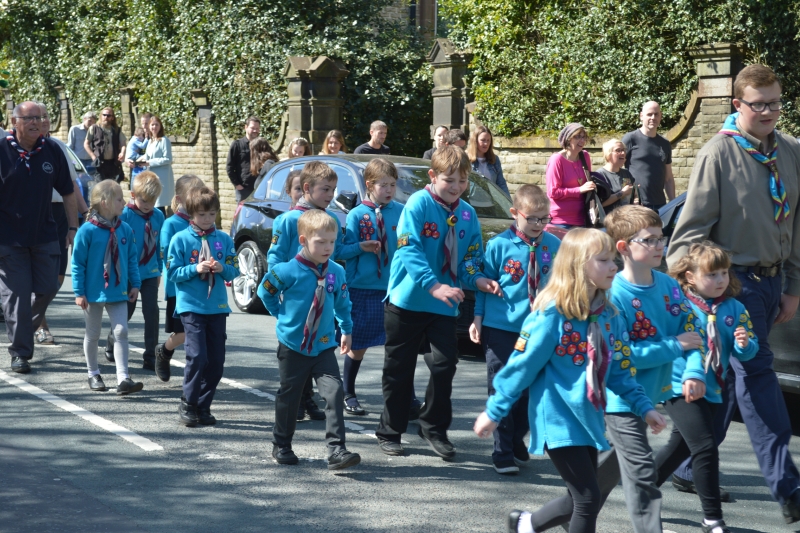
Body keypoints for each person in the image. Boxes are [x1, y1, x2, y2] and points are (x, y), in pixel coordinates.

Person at [666, 63, 800, 524]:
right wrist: (694, 297)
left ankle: (678, 465)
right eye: (758, 104)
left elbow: (795, 226)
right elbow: (689, 235)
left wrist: (792, 287)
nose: (768, 112)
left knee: (722, 385)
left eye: (775, 102)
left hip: (771, 282)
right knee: (758, 381)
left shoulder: (790, 152)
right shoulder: (717, 155)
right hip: (729, 285)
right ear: (737, 105)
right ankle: (789, 486)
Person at [473, 228, 666, 533]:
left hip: (588, 419)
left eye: (613, 259)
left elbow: (618, 370)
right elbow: (520, 368)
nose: (614, 266)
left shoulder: (608, 315)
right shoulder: (551, 316)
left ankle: (526, 525)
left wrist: (645, 407)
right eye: (604, 260)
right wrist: (494, 412)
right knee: (588, 499)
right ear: (578, 266)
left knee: (576, 499)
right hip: (558, 417)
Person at [563, 205, 700, 533]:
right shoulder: (614, 296)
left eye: (660, 238)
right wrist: (675, 345)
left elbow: (693, 330)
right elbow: (624, 356)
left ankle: (537, 521)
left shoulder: (668, 286)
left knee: (602, 478)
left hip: (650, 395)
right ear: (623, 247)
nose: (659, 246)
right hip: (619, 397)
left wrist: (694, 371)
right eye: (649, 240)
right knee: (642, 474)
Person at [375, 145, 502, 459]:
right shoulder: (417, 204)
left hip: (443, 307)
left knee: (445, 366)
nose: (456, 186)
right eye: (449, 180)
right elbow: (408, 250)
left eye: (462, 180)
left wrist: (479, 280)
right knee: (398, 370)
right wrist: (434, 286)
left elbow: (470, 260)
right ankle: (390, 430)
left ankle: (433, 427)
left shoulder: (467, 214)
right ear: (432, 177)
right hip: (407, 302)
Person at [656, 242, 760, 533]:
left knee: (678, 449)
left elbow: (747, 351)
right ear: (690, 276)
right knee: (705, 448)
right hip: (680, 386)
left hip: (715, 388)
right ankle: (713, 519)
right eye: (712, 275)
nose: (720, 280)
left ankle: (642, 490)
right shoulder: (679, 304)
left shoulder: (735, 308)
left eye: (724, 273)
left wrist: (744, 344)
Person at [257, 209, 362, 471]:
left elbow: (342, 302)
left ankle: (337, 449)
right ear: (303, 241)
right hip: (293, 345)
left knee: (334, 391)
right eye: (321, 242)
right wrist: (280, 314)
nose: (328, 248)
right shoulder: (287, 271)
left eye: (332, 242)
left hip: (324, 345)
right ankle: (281, 444)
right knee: (290, 396)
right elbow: (265, 292)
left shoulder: (336, 271)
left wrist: (346, 329)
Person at [469, 184, 560, 475]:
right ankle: (503, 451)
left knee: (530, 392)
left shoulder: (553, 246)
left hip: (539, 330)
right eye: (531, 218)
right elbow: (484, 284)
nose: (538, 224)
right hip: (501, 328)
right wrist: (478, 318)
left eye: (544, 218)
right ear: (514, 214)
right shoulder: (498, 246)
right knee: (503, 388)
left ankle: (516, 439)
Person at [268, 162, 358, 421]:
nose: (331, 195)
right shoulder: (287, 220)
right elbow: (275, 258)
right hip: (295, 294)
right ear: (307, 189)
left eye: (333, 189)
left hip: (319, 293)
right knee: (294, 351)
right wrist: (279, 293)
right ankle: (295, 399)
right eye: (325, 189)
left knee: (315, 349)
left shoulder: (329, 220)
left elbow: (338, 251)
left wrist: (360, 247)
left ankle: (306, 398)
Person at [0, 101, 78, 374]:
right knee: (18, 296)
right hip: (9, 239)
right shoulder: (1, 151)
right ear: (15, 122)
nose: (36, 122)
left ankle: (19, 326)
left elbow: (68, 192)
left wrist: (72, 228)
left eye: (41, 117)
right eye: (30, 118)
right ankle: (20, 352)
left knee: (48, 287)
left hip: (45, 235)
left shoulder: (52, 150)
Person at [167, 186, 239, 426]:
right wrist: (194, 268)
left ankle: (203, 405)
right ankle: (188, 402)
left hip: (217, 307)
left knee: (216, 362)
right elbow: (173, 272)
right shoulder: (181, 239)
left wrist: (222, 268)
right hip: (191, 306)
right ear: (191, 215)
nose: (207, 220)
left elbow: (234, 268)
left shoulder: (224, 239)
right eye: (201, 215)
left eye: (212, 214)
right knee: (197, 356)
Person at [339, 158, 402, 415]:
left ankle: (403, 396)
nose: (389, 190)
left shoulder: (401, 211)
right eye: (384, 185)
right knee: (359, 344)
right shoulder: (357, 215)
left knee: (398, 346)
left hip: (394, 288)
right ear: (369, 185)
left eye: (393, 185)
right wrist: (361, 247)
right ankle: (348, 391)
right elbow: (341, 250)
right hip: (363, 287)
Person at [72, 180, 143, 395]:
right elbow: (78, 263)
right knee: (93, 334)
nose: (124, 202)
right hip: (92, 293)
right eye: (120, 199)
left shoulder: (125, 229)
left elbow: (131, 259)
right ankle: (93, 373)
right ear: (104, 203)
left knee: (121, 331)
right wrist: (79, 292)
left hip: (118, 290)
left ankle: (123, 378)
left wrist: (136, 283)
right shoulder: (87, 231)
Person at [32, 102, 89, 346]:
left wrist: (85, 213)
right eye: (38, 117)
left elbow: (71, 185)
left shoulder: (58, 147)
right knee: (36, 273)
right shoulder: (21, 150)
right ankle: (39, 326)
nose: (43, 121)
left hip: (60, 213)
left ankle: (29, 315)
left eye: (46, 117)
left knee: (56, 277)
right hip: (36, 213)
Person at [102, 171, 164, 371]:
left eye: (152, 201)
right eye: (144, 200)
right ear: (133, 195)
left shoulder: (158, 216)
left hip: (149, 272)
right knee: (125, 313)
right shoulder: (125, 214)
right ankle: (112, 339)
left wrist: (159, 271)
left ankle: (151, 355)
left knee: (152, 312)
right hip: (127, 273)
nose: (148, 205)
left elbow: (159, 245)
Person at [154, 174, 205, 382]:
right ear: (179, 199)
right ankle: (164, 351)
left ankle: (198, 372)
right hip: (180, 288)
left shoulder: (204, 220)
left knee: (200, 331)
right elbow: (167, 256)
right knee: (183, 333)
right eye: (193, 195)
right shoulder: (171, 224)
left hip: (202, 287)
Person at [622, 101, 674, 212]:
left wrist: (673, 203)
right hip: (637, 204)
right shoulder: (630, 139)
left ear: (660, 116)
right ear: (641, 116)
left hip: (660, 205)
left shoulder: (665, 144)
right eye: (649, 114)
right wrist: (627, 195)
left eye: (656, 114)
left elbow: (668, 178)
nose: (653, 117)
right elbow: (616, 170)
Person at [546, 123, 596, 230]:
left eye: (583, 137)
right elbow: (553, 192)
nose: (582, 140)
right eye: (577, 137)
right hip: (561, 220)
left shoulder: (585, 156)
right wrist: (579, 190)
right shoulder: (556, 160)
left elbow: (587, 183)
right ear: (568, 139)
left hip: (583, 217)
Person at [84, 107, 126, 183]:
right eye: (104, 115)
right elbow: (86, 144)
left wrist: (122, 153)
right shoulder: (94, 128)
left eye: (108, 115)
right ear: (101, 116)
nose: (106, 117)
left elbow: (123, 144)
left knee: (113, 189)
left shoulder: (117, 130)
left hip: (113, 164)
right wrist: (93, 157)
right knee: (100, 189)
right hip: (99, 164)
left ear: (112, 118)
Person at [226, 116, 261, 203]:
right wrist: (237, 185)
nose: (255, 131)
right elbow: (229, 167)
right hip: (243, 189)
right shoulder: (237, 145)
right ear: (246, 127)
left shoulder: (261, 145)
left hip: (259, 188)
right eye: (252, 128)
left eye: (257, 128)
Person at [467, 125, 510, 196]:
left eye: (488, 140)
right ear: (475, 140)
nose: (486, 143)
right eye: (483, 140)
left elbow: (501, 184)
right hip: (471, 203)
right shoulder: (466, 159)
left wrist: (509, 203)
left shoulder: (494, 160)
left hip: (491, 204)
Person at [144, 115, 174, 212]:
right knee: (153, 203)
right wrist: (133, 160)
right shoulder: (150, 141)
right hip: (152, 176)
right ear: (149, 126)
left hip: (162, 177)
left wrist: (149, 162)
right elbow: (147, 156)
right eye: (152, 125)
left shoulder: (164, 140)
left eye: (157, 125)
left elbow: (168, 159)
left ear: (160, 126)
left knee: (159, 205)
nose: (154, 127)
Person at [597, 139, 635, 213]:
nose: (623, 153)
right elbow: (600, 204)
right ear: (608, 154)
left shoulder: (626, 173)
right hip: (610, 221)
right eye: (618, 150)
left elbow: (634, 194)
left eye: (624, 150)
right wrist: (622, 193)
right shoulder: (600, 175)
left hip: (627, 219)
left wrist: (636, 203)